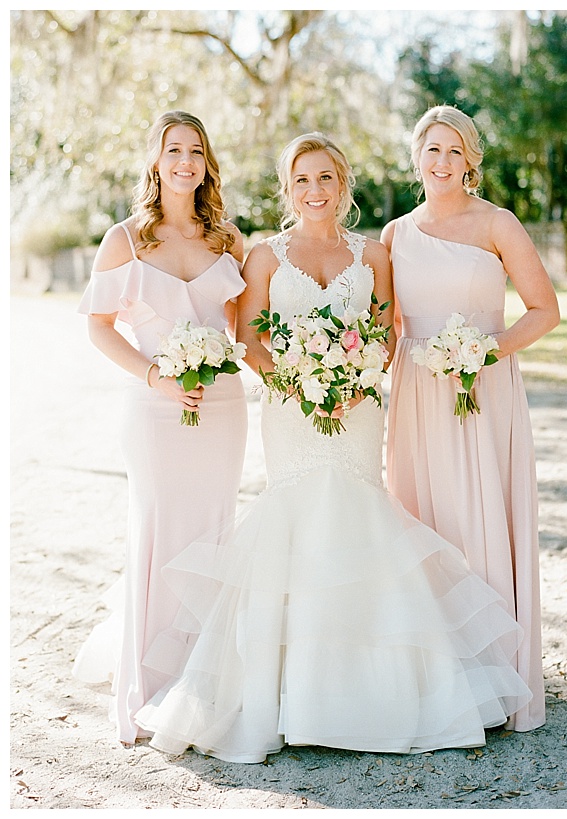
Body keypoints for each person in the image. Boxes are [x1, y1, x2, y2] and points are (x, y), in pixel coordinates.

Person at [132, 133, 531, 763]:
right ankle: (285, 694)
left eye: (324, 179)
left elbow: (384, 331)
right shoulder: (264, 255)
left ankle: (373, 693)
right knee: (294, 524)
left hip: (357, 410)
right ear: (287, 190)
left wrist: (352, 379)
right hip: (292, 411)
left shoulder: (375, 254)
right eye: (301, 181)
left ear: (342, 184)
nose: (313, 191)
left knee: (361, 519)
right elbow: (250, 341)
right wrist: (300, 381)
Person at [73, 110, 248, 747]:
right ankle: (147, 686)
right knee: (156, 534)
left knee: (212, 532)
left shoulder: (226, 239)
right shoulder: (124, 239)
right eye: (173, 150)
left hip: (223, 408)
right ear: (155, 160)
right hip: (154, 412)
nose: (185, 162)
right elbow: (98, 326)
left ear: (206, 163)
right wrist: (155, 375)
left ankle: (203, 682)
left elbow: (246, 327)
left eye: (195, 151)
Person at [382, 105, 559, 732]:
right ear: (417, 157)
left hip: (484, 391)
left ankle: (498, 672)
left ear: (471, 161)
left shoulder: (498, 224)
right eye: (432, 149)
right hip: (416, 395)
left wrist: (484, 351)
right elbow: (386, 328)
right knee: (426, 520)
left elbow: (544, 310)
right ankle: (441, 673)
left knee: (482, 514)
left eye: (455, 151)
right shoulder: (395, 235)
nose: (442, 161)